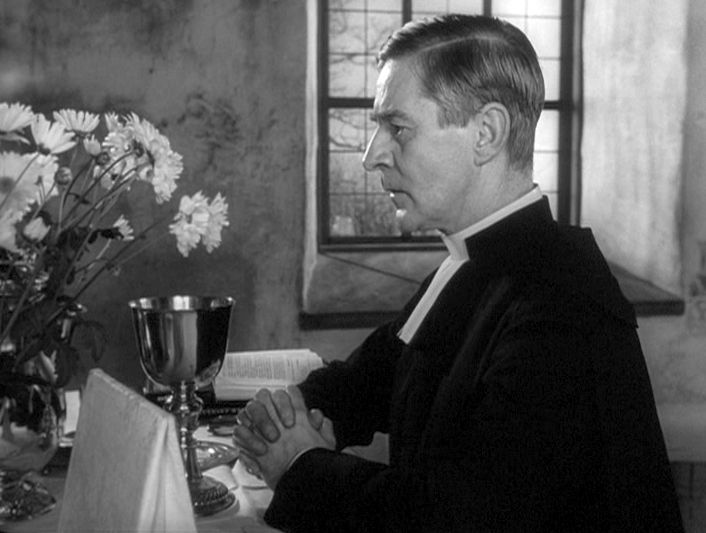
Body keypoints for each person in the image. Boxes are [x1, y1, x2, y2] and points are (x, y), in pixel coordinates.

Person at [233, 14, 683, 533]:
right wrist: (292, 413)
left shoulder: (561, 306)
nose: (371, 156)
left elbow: (460, 517)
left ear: (486, 134)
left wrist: (301, 466)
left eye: (398, 128)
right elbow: (375, 377)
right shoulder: (470, 263)